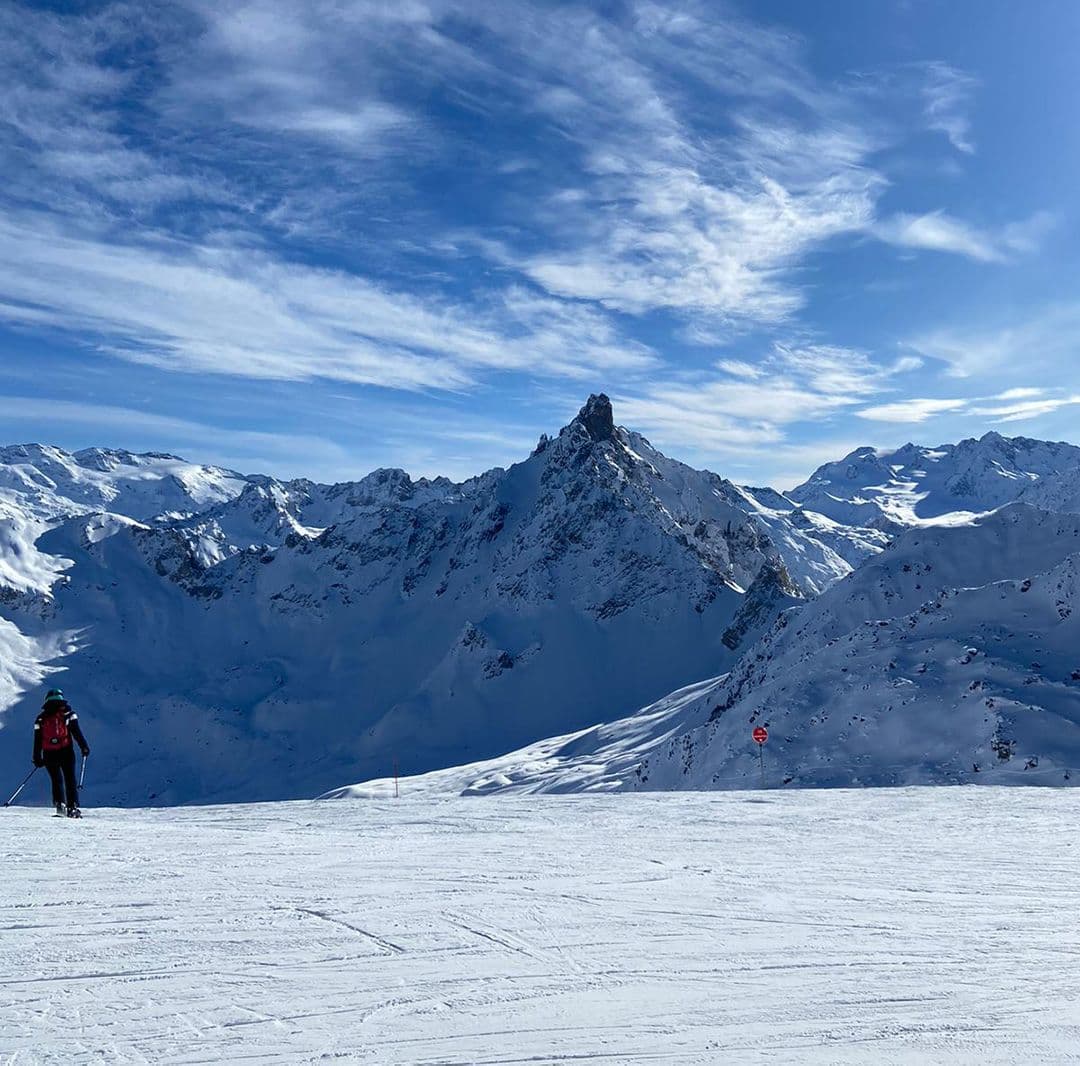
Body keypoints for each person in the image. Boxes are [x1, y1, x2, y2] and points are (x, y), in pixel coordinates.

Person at [33, 689, 89, 817]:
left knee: (56, 779)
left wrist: (37, 757)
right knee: (70, 778)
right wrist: (84, 747)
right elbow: (76, 732)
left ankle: (60, 805)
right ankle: (72, 807)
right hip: (66, 751)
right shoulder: (68, 714)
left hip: (49, 753)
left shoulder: (41, 718)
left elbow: (37, 740)